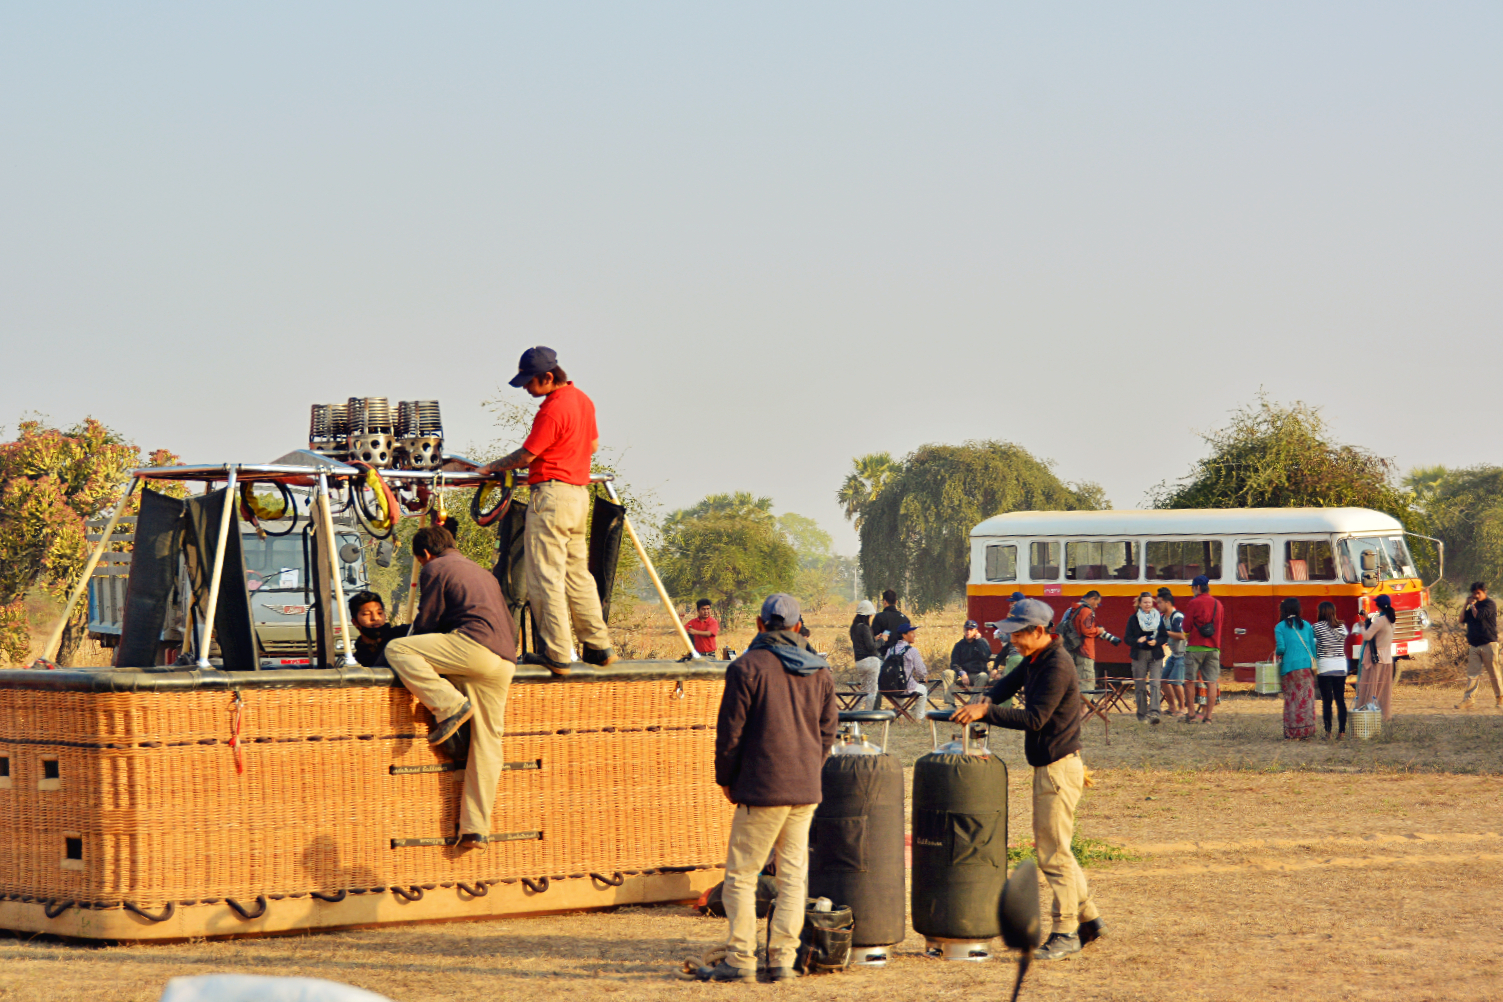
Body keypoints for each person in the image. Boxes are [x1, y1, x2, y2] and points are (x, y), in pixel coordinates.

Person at [951, 599, 1105, 961]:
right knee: (1058, 848)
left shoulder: (1057, 665)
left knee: (1053, 854)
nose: (1013, 641)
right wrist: (982, 699)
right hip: (1050, 766)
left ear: (1039, 631)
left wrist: (986, 712)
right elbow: (1006, 685)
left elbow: (1034, 719)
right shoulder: (1037, 659)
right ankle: (1090, 919)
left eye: (1018, 634)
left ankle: (1066, 931)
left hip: (1057, 769)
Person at [699, 593, 837, 983]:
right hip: (805, 789)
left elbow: (730, 736)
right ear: (797, 628)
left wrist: (726, 779)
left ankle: (741, 960)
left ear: (760, 625)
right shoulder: (821, 671)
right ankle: (782, 961)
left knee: (741, 876)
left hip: (761, 790)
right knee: (794, 877)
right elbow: (828, 734)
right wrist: (810, 768)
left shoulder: (746, 667)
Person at [478, 346, 615, 674]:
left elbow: (527, 455)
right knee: (577, 574)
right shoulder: (582, 400)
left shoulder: (553, 408)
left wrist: (490, 469)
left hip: (551, 497)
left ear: (548, 377)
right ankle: (598, 646)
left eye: (529, 382)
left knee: (545, 577)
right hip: (578, 496)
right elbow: (592, 446)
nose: (526, 388)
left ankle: (556, 654)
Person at [383, 526, 518, 851]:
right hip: (505, 660)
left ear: (424, 554)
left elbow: (428, 622)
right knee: (487, 744)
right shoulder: (481, 571)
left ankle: (449, 706)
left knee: (398, 649)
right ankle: (475, 828)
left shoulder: (435, 567)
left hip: (473, 648)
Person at [1182, 575, 1225, 723]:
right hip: (1213, 648)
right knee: (1211, 682)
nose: (1192, 591)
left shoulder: (1194, 603)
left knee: (1189, 681)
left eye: (1193, 588)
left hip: (1194, 647)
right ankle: (1208, 717)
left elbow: (1186, 627)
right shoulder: (1218, 604)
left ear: (1198, 588)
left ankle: (1192, 715)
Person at [1274, 597, 1317, 740]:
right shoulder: (1307, 625)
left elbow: (1281, 648)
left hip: (1290, 669)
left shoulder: (1279, 627)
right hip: (1306, 668)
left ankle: (1293, 732)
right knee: (1306, 699)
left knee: (1292, 700)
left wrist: (1278, 653)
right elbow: (1312, 648)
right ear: (1299, 610)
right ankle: (1307, 731)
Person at [1060, 591, 1120, 692]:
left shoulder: (1070, 610)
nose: (1096, 606)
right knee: (1086, 682)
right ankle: (1084, 706)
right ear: (1092, 599)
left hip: (1071, 649)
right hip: (1085, 651)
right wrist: (1098, 631)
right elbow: (1087, 630)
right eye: (1097, 603)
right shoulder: (1087, 611)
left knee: (1071, 681)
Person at [1123, 592, 1167, 723]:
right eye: (1145, 602)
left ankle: (1155, 713)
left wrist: (1157, 642)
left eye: (1150, 602)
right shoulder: (1133, 619)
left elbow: (1164, 636)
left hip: (1155, 655)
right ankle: (1142, 714)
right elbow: (1127, 638)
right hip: (1139, 655)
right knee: (1140, 685)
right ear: (1140, 604)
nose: (1148, 604)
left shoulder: (1158, 618)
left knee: (1155, 684)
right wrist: (1138, 640)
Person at [1457, 581, 1501, 710]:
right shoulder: (1472, 606)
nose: (1476, 595)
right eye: (1473, 593)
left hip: (1489, 644)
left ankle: (1500, 698)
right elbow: (1461, 620)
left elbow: (1478, 616)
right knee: (1472, 674)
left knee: (1494, 674)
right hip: (1474, 646)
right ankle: (1468, 700)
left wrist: (1472, 605)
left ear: (1484, 592)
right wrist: (1466, 604)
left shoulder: (1489, 604)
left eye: (1478, 593)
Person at [1356, 594, 1397, 722]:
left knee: (1370, 687)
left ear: (1378, 605)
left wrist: (1361, 626)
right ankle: (1384, 714)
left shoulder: (1380, 620)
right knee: (1382, 689)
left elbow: (1368, 636)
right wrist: (1368, 618)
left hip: (1375, 659)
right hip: (1387, 658)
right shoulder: (1391, 620)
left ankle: (1367, 712)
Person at [1312, 601, 1349, 739]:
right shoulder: (1342, 627)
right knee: (1340, 699)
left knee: (1327, 700)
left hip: (1325, 667)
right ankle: (1342, 732)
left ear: (1320, 612)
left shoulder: (1316, 627)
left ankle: (1328, 733)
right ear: (1333, 612)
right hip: (1340, 666)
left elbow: (1313, 642)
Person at [347, 590, 410, 668]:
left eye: (379, 613)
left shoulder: (402, 635)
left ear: (385, 616)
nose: (375, 618)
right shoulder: (358, 659)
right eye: (366, 614)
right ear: (355, 622)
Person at [945, 619, 993, 703]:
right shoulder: (959, 645)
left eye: (971, 630)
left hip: (978, 675)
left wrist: (979, 641)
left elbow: (986, 656)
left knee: (984, 676)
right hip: (964, 675)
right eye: (966, 629)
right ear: (964, 630)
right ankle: (950, 704)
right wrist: (962, 673)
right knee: (947, 673)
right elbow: (954, 663)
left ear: (976, 631)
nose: (968, 632)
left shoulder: (982, 642)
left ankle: (972, 703)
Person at [1156, 588, 1187, 716]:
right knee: (1163, 680)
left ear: (1167, 603)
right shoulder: (1163, 618)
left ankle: (1182, 708)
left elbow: (1182, 636)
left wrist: (1165, 633)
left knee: (1176, 682)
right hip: (1174, 654)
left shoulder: (1177, 617)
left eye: (1159, 603)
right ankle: (1172, 707)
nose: (1158, 606)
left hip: (1183, 654)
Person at [850, 599, 881, 710]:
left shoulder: (853, 628)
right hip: (871, 661)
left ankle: (853, 713)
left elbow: (861, 643)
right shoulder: (865, 627)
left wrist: (874, 639)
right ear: (867, 615)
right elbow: (871, 647)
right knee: (872, 690)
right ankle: (868, 715)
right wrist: (882, 640)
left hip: (859, 662)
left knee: (863, 690)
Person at [885, 621, 929, 696]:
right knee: (923, 690)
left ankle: (900, 708)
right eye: (911, 633)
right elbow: (920, 671)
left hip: (891, 688)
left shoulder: (890, 650)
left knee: (900, 704)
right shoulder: (912, 650)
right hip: (908, 688)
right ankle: (918, 708)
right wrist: (924, 677)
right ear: (904, 635)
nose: (914, 635)